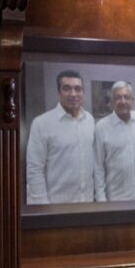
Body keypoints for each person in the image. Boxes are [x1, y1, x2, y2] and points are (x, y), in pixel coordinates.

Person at [26, 70, 96, 204]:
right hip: (56, 206)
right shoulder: (41, 123)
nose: (73, 94)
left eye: (78, 89)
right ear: (58, 92)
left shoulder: (90, 120)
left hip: (87, 203)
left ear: (83, 92)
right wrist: (42, 207)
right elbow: (35, 169)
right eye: (67, 88)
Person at [93, 81, 135, 201]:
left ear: (132, 100)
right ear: (111, 102)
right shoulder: (102, 127)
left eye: (126, 97)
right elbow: (98, 166)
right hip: (116, 199)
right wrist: (101, 199)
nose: (123, 102)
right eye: (118, 98)